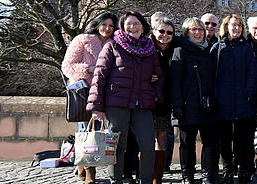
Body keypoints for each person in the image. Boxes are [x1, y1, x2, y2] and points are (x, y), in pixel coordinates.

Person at [87, 11, 163, 184]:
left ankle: (146, 180)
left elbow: (159, 76)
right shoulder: (112, 46)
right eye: (129, 23)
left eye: (136, 23)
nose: (132, 27)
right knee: (117, 146)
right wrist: (96, 107)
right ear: (123, 26)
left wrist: (156, 95)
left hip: (142, 104)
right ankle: (116, 180)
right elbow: (99, 77)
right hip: (116, 103)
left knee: (148, 145)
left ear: (143, 27)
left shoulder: (150, 49)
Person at [62, 12, 118, 184]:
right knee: (86, 132)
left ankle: (82, 166)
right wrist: (90, 69)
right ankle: (89, 175)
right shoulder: (82, 40)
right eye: (104, 24)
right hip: (85, 92)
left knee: (105, 132)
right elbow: (67, 66)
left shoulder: (115, 44)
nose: (107, 29)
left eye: (111, 26)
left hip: (108, 93)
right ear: (97, 24)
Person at [170, 17, 219, 184]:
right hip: (186, 104)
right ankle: (187, 176)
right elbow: (175, 80)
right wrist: (177, 105)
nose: (197, 33)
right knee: (186, 143)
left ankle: (207, 175)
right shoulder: (180, 51)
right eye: (193, 30)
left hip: (207, 103)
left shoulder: (210, 51)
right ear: (186, 32)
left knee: (210, 142)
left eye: (200, 29)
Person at [212, 14, 257, 183]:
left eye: (239, 25)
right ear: (227, 26)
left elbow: (253, 73)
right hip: (223, 101)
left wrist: (248, 94)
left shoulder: (247, 48)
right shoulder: (217, 48)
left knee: (243, 138)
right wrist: (216, 95)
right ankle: (227, 170)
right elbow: (211, 76)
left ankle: (244, 169)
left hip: (243, 100)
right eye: (234, 25)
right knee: (224, 139)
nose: (237, 28)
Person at [151, 17, 175, 184]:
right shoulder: (146, 47)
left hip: (165, 101)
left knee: (162, 139)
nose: (165, 35)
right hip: (146, 100)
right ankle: (143, 173)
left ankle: (156, 177)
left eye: (169, 32)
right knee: (145, 140)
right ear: (154, 31)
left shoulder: (175, 49)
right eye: (161, 31)